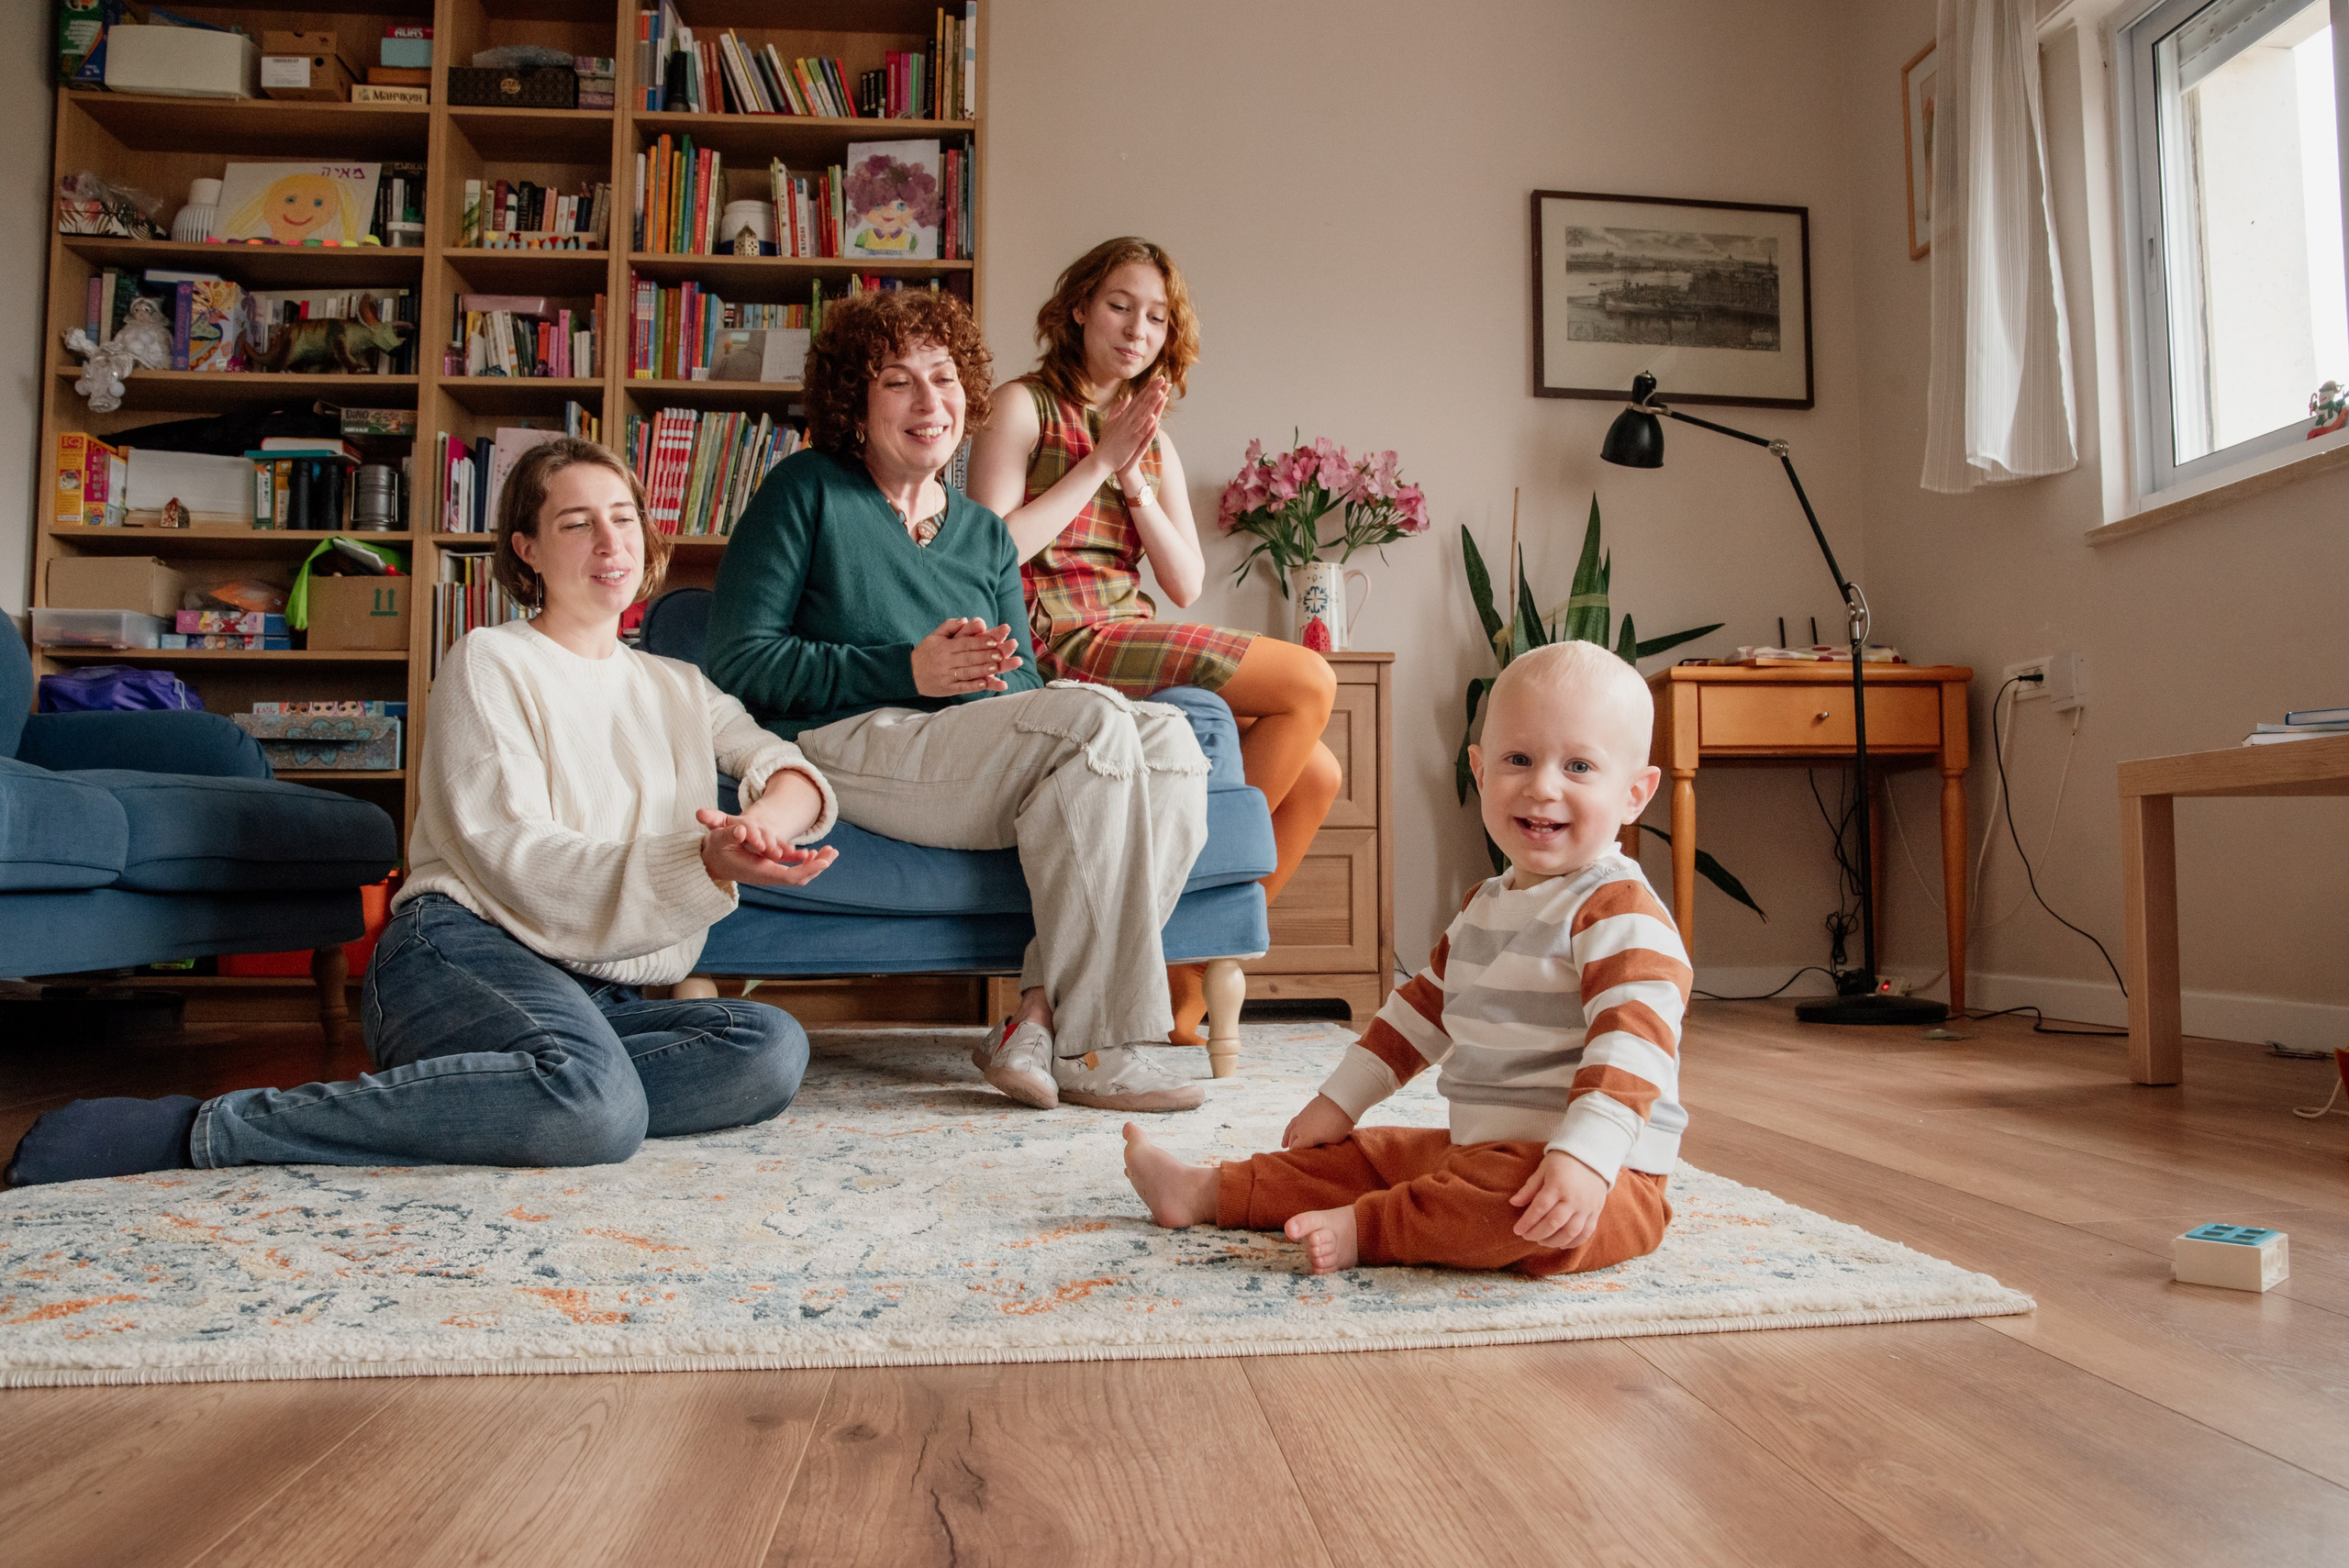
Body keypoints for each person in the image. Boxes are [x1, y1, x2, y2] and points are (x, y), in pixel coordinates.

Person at [6, 439, 836, 1186]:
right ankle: (205, 1129)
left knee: (769, 1048)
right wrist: (702, 860)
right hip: (462, 951)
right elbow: (519, 855)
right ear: (527, 548)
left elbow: (787, 769)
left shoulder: (678, 685)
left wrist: (763, 825)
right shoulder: (489, 660)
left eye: (623, 517)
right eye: (577, 522)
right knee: (595, 1105)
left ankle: (504, 1090)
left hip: (600, 991)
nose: (611, 542)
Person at [705, 288, 1212, 1116]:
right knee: (1094, 719)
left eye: (943, 378)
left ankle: (1038, 1019)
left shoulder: (983, 534)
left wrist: (989, 683)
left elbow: (1025, 688)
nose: (929, 401)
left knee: (1172, 741)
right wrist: (908, 669)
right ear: (855, 404)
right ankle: (1102, 1044)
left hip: (968, 757)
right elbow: (740, 662)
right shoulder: (806, 490)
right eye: (897, 381)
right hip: (847, 742)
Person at [1121, 640, 1689, 1276]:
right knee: (1370, 1157)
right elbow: (1415, 1018)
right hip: (1477, 1149)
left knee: (1510, 1207)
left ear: (1634, 794)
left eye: (1579, 766)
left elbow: (1634, 1047)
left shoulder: (1619, 909)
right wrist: (1340, 1102)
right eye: (1519, 759)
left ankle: (1370, 1229)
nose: (1542, 786)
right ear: (1480, 771)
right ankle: (1207, 1191)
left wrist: (1585, 1156)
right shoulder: (1484, 906)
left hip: (1607, 1177)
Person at [965, 237, 1341, 1049]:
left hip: (1126, 631)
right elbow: (987, 554)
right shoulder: (1022, 406)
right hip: (1054, 636)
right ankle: (1158, 923)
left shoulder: (1155, 438)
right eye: (1120, 306)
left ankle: (1180, 993)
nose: (1139, 328)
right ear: (1079, 309)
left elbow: (1184, 581)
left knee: (1318, 772)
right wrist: (1100, 459)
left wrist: (1133, 475)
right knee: (1310, 682)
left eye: (1158, 317)